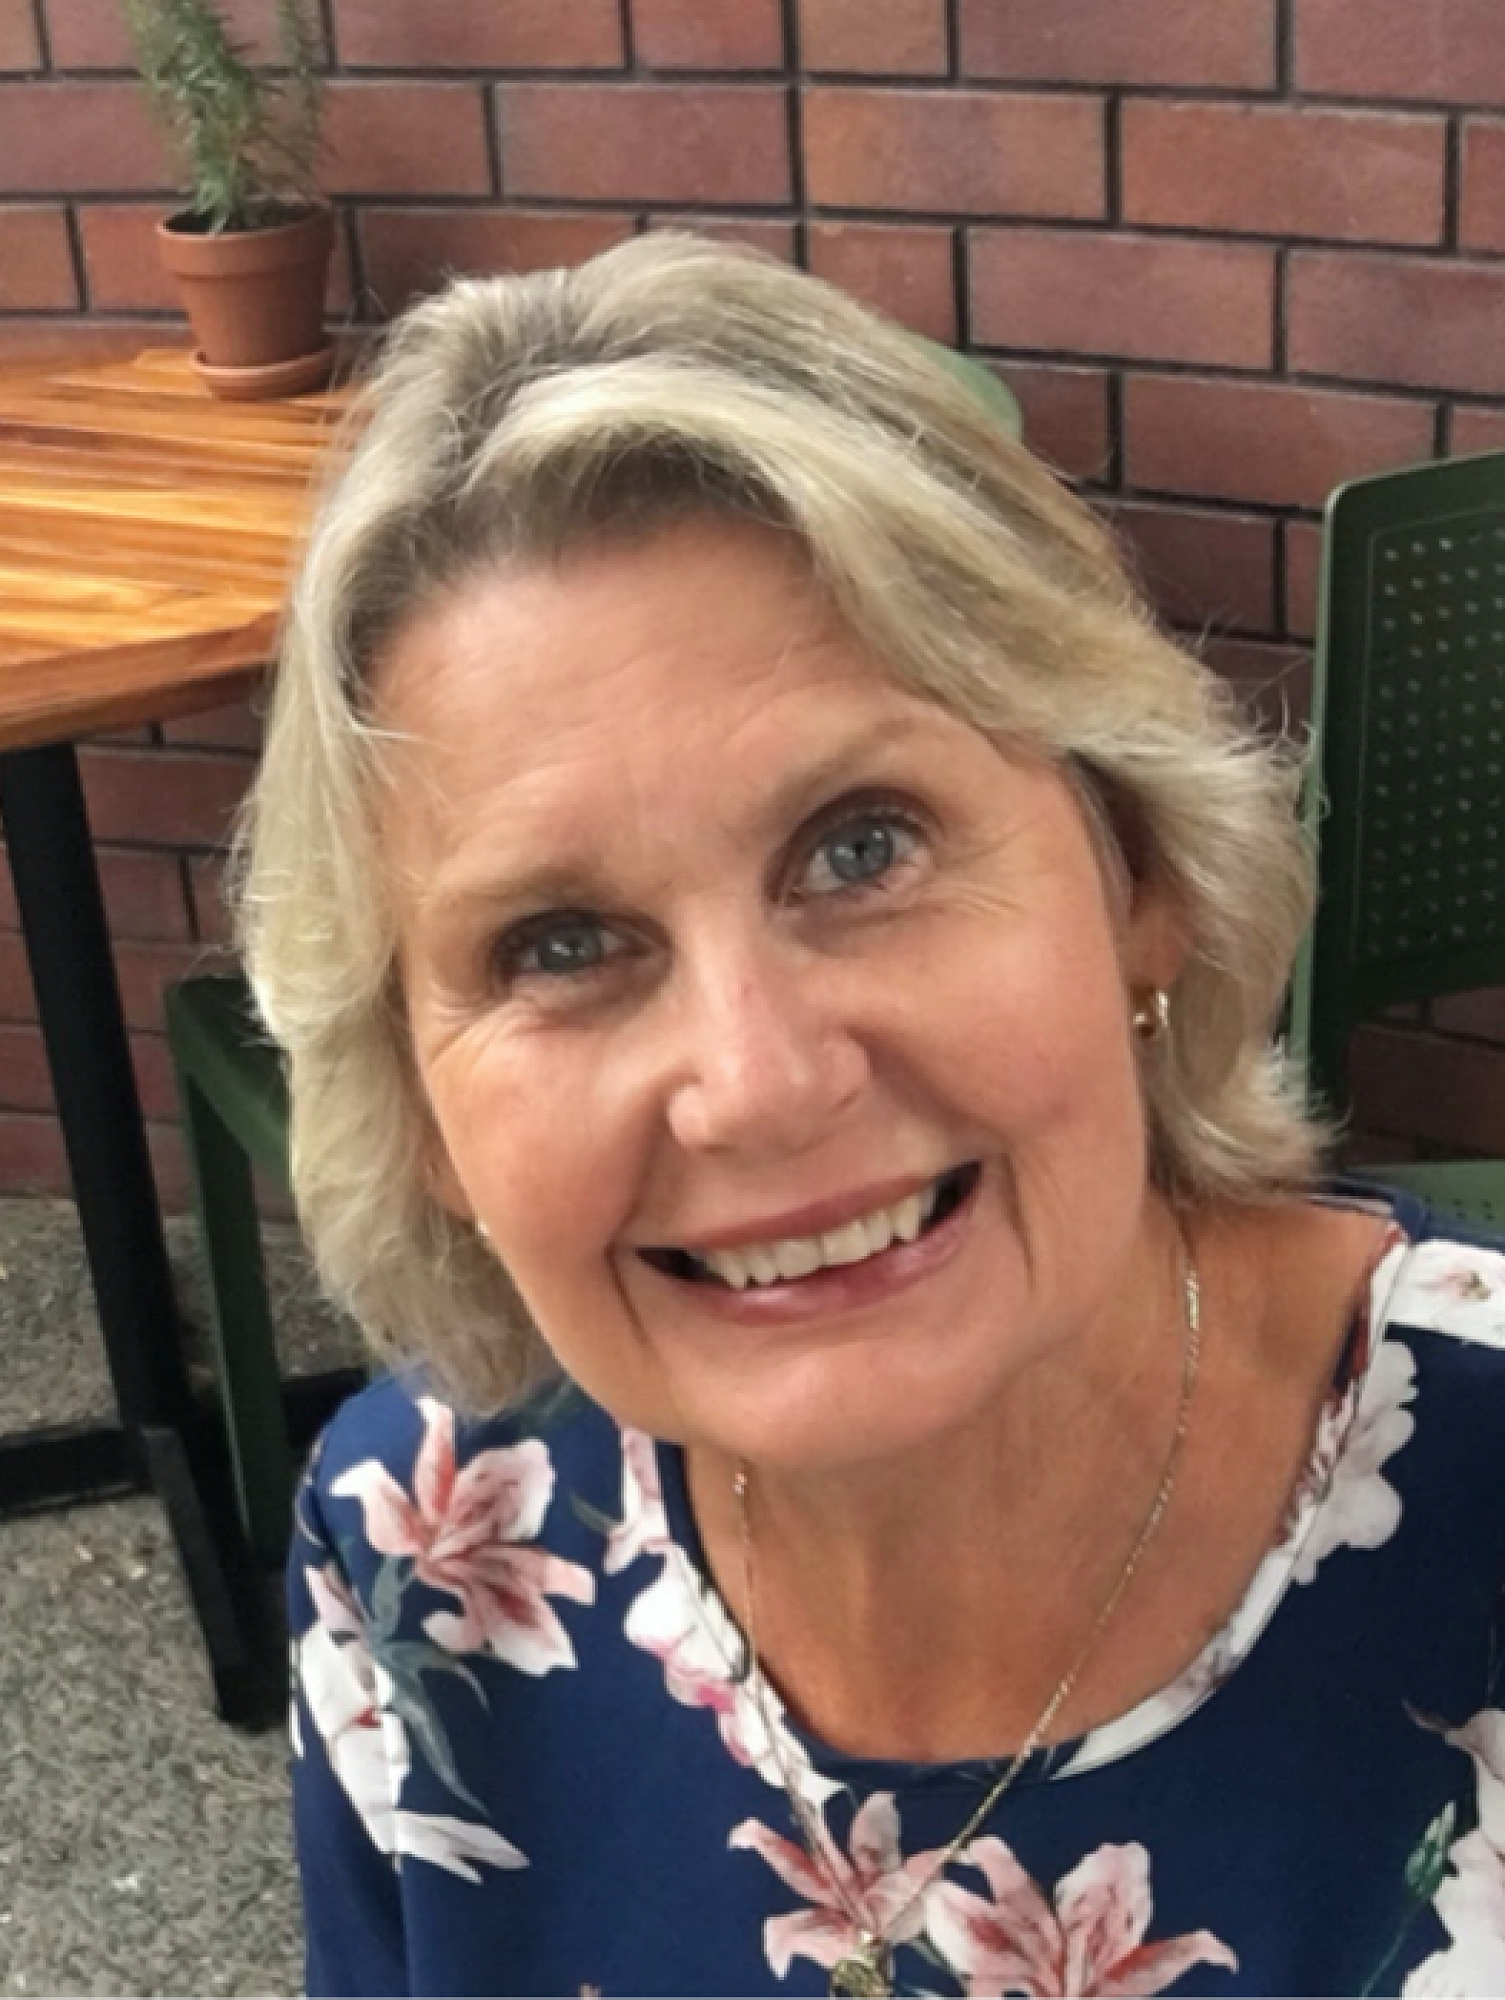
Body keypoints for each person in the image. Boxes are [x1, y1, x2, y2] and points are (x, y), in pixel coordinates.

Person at [239, 234, 1505, 1998]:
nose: (758, 1084)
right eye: (560, 945)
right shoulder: (426, 1552)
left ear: (1138, 875)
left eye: (863, 848)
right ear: (426, 1111)